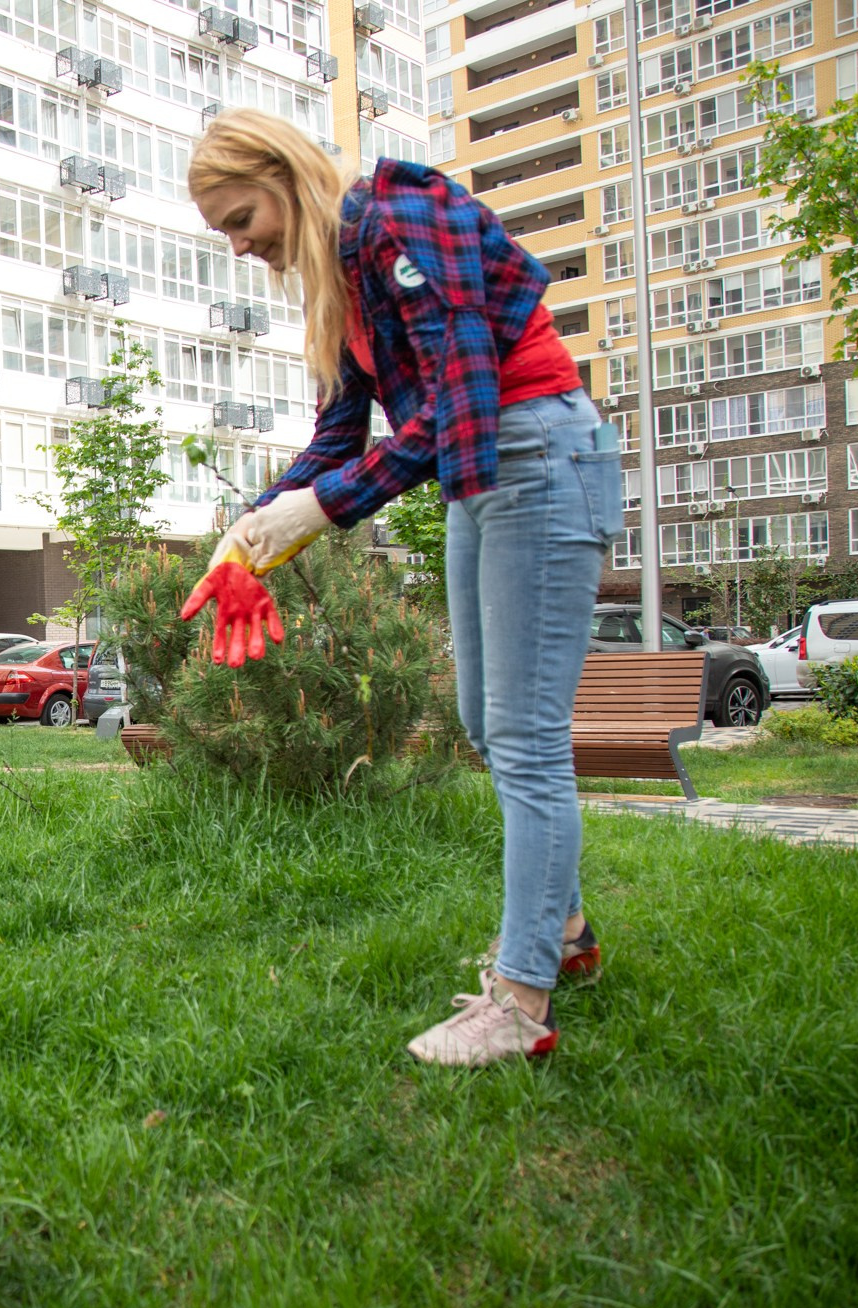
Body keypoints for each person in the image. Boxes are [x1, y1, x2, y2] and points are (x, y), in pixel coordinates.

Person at [181, 109, 622, 1067]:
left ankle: (523, 997)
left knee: (527, 739)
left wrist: (320, 515)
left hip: (538, 455)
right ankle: (569, 930)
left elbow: (454, 416)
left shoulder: (400, 219)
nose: (239, 242)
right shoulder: (339, 281)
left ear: (284, 174)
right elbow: (340, 440)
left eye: (240, 215)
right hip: (489, 475)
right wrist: (252, 529)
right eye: (223, 229)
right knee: (483, 717)